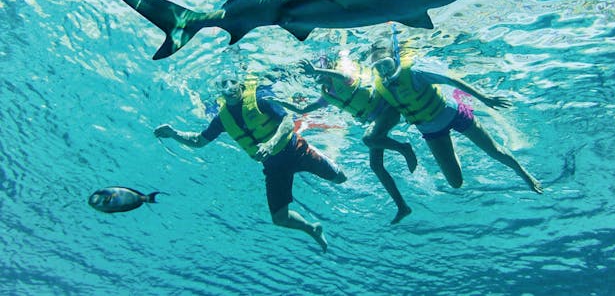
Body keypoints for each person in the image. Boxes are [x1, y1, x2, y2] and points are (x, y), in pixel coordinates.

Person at [154, 74, 347, 253]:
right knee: (280, 218)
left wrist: (271, 144)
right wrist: (174, 134)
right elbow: (199, 141)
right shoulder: (222, 119)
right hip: (273, 168)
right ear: (219, 91)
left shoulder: (259, 99)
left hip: (297, 150)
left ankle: (329, 152)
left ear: (240, 84)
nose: (229, 87)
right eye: (224, 85)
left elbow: (288, 121)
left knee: (341, 178)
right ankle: (312, 229)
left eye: (232, 82)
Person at [369, 39, 543, 194]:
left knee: (494, 150)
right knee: (455, 183)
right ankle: (452, 146)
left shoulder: (414, 72)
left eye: (387, 64)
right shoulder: (380, 88)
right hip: (431, 132)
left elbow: (451, 80)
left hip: (455, 114)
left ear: (395, 60)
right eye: (378, 67)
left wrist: (485, 99)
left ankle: (524, 174)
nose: (384, 71)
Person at [271, 55, 417, 224]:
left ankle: (404, 148)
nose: (317, 76)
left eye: (319, 70)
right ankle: (402, 207)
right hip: (375, 120)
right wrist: (280, 102)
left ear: (326, 68)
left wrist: (315, 69)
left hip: (388, 111)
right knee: (375, 165)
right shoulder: (327, 96)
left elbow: (341, 75)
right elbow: (303, 108)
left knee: (368, 139)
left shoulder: (344, 79)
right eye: (314, 74)